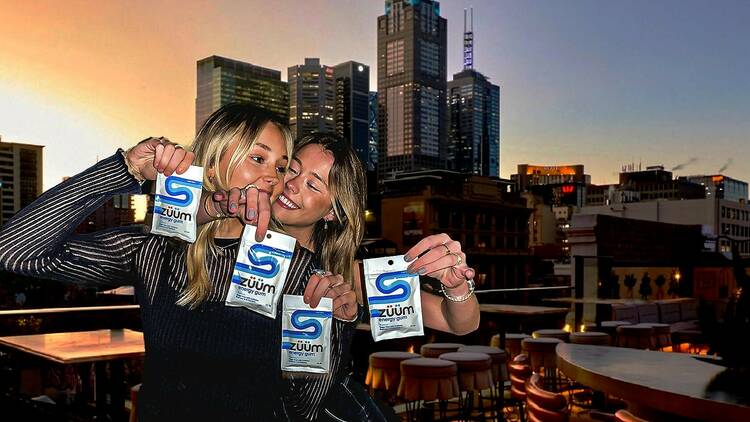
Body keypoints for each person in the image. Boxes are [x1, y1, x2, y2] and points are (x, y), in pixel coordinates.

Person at [0, 103, 356, 421]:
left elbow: (303, 408)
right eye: (258, 158)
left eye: (281, 167)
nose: (274, 179)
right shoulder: (155, 250)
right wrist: (124, 170)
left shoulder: (295, 268)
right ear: (213, 164)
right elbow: (16, 251)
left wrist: (334, 326)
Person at [200, 133, 480, 420]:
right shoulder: (231, 244)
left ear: (332, 212)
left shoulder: (345, 272)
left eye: (312, 184)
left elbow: (458, 323)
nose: (293, 185)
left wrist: (457, 284)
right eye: (291, 170)